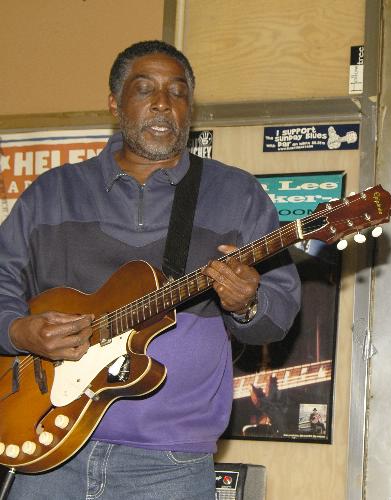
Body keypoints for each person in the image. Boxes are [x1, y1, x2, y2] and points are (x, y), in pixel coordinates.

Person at [0, 40, 301, 499]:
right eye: (145, 89)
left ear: (189, 109)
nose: (163, 102)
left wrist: (248, 304)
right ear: (114, 103)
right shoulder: (51, 193)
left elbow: (278, 316)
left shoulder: (237, 194)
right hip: (46, 450)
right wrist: (19, 332)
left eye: (177, 92)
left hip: (170, 465)